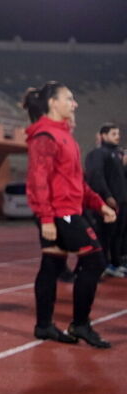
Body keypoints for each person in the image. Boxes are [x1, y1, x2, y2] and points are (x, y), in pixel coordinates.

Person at [24, 83, 116, 347]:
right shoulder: (45, 136)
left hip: (67, 209)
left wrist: (99, 204)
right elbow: (38, 180)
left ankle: (44, 326)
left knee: (52, 264)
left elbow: (77, 181)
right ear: (53, 103)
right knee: (95, 261)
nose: (74, 103)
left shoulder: (65, 136)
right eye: (69, 98)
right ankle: (80, 324)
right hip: (59, 212)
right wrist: (45, 218)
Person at [84, 124, 126, 277]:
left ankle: (114, 263)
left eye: (118, 134)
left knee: (117, 234)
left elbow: (119, 178)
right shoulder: (98, 153)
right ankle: (99, 266)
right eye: (114, 134)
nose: (117, 136)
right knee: (103, 235)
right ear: (103, 136)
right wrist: (107, 196)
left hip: (120, 202)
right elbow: (96, 176)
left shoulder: (117, 154)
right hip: (105, 203)